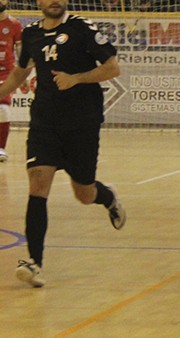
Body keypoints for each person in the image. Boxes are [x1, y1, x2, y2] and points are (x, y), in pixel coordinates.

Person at [0, 0, 126, 288]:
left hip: (82, 122)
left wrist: (77, 79)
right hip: (45, 122)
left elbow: (112, 68)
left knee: (84, 192)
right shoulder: (30, 34)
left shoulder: (82, 28)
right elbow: (20, 73)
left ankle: (107, 197)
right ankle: (34, 262)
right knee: (38, 182)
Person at [0, 0, 21, 163]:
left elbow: (21, 53)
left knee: (3, 110)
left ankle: (0, 148)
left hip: (5, 74)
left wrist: (24, 75)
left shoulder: (14, 24)